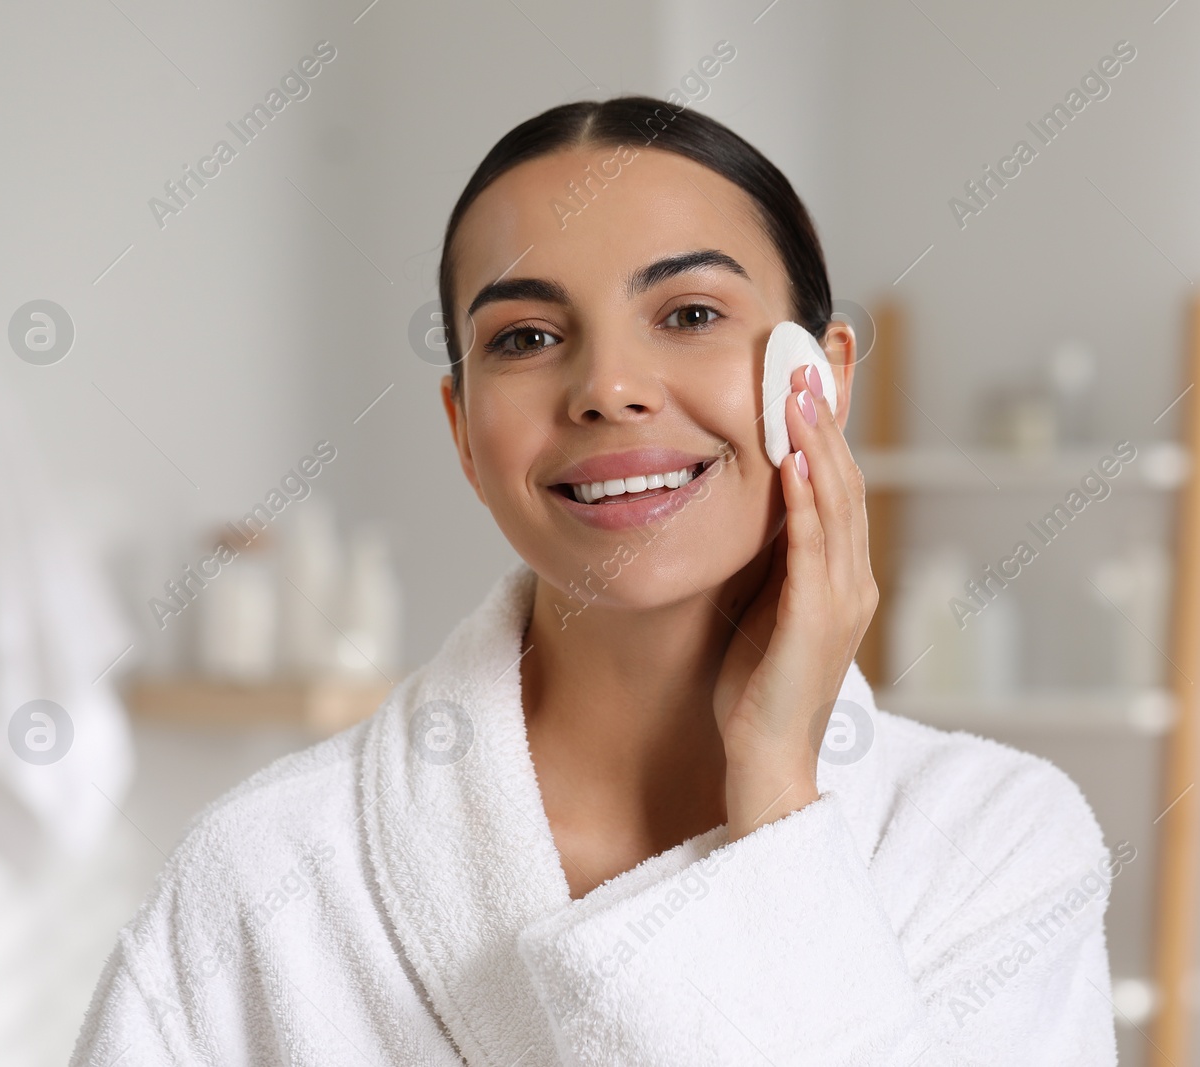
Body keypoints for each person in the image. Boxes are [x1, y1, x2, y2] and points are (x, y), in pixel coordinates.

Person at [71, 95, 1117, 1066]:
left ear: (823, 377)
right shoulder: (262, 878)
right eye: (526, 337)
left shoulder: (995, 842)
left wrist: (779, 787)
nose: (607, 388)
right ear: (464, 432)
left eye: (690, 313)